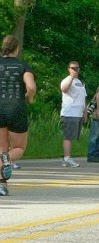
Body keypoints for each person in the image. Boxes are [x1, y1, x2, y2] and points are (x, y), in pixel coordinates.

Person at [0, 35, 36, 195]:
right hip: (16, 108)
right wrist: (29, 98)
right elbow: (31, 87)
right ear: (17, 49)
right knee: (18, 148)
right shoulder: (23, 66)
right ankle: (5, 162)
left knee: (1, 149)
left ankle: (2, 185)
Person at [60, 61, 87, 167]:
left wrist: (85, 111)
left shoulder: (80, 82)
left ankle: (68, 157)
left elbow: (83, 97)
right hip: (69, 113)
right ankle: (66, 158)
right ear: (69, 69)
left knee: (72, 137)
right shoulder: (66, 80)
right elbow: (64, 89)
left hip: (78, 114)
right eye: (73, 68)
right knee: (68, 136)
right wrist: (71, 77)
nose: (75, 70)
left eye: (77, 68)